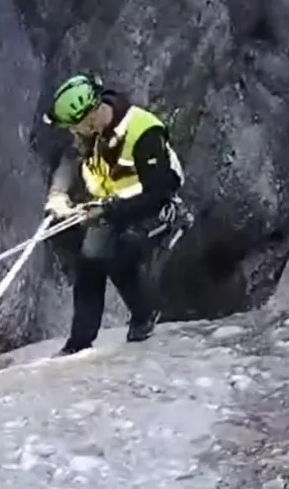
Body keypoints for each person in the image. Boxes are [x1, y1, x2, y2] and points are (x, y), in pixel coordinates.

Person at [41, 72, 191, 357]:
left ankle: (145, 315)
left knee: (123, 256)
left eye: (74, 127)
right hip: (112, 207)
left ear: (91, 117)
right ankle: (79, 342)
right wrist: (58, 196)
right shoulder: (90, 131)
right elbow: (69, 160)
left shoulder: (143, 131)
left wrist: (109, 209)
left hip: (155, 208)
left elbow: (157, 191)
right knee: (89, 264)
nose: (72, 133)